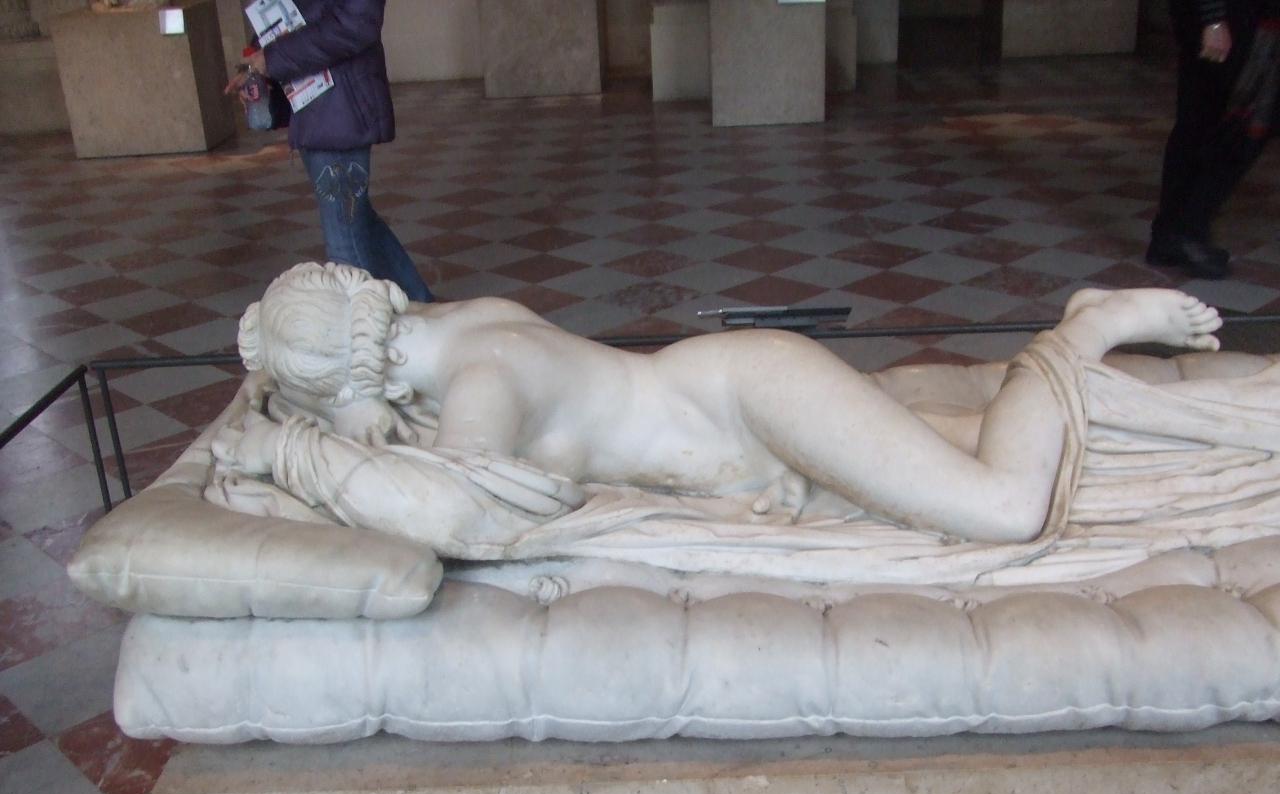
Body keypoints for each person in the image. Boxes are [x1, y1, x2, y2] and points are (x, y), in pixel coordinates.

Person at [216, 263, 1223, 547]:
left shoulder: (481, 383)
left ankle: (1081, 331)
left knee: (1005, 508)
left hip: (749, 397)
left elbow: (449, 514)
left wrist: (297, 452)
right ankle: (1073, 379)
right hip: (736, 416)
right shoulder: (456, 324)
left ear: (363, 383)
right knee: (988, 454)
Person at [227, 0, 433, 302]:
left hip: (340, 108)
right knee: (358, 223)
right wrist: (258, 64)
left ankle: (371, 327)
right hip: (317, 107)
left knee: (346, 250)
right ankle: (420, 307)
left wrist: (272, 58)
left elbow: (356, 25)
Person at [1148, 0, 1279, 278]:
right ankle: (1185, 232)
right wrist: (1214, 19)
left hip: (1238, 20)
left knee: (1204, 125)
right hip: (1230, 19)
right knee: (1234, 129)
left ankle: (1171, 235)